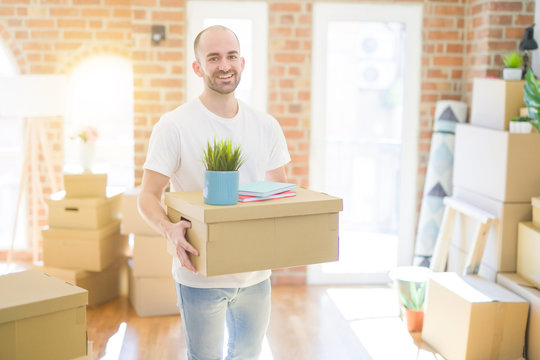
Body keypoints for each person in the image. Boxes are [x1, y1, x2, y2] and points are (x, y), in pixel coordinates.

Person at [138, 25, 291, 360]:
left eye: (231, 56)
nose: (225, 65)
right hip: (200, 275)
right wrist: (169, 230)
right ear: (197, 67)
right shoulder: (174, 125)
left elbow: (278, 192)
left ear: (242, 61)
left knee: (248, 354)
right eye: (214, 58)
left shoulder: (266, 125)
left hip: (256, 274)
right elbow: (148, 195)